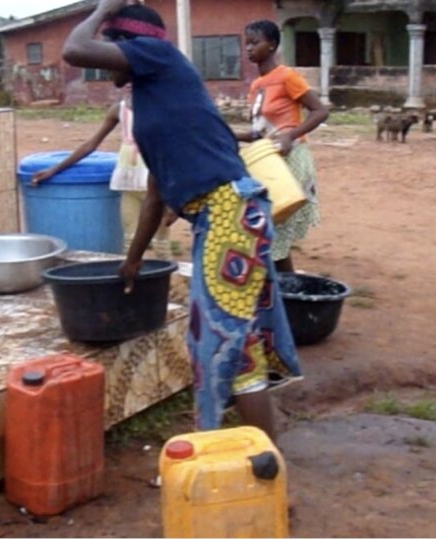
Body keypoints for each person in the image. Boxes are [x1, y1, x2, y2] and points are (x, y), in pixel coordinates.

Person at [62, 0, 302, 439]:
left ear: (129, 45)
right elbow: (155, 193)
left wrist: (103, 9)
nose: (103, 61)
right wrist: (132, 260)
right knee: (235, 333)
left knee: (221, 340)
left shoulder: (161, 57)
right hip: (226, 214)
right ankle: (261, 440)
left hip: (229, 212)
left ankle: (262, 458)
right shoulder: (154, 98)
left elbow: (75, 49)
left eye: (111, 47)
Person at [29, 90, 172, 258]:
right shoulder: (119, 110)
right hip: (129, 185)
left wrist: (174, 201)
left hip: (157, 187)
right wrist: (54, 169)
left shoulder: (163, 108)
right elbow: (90, 145)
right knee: (129, 242)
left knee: (161, 244)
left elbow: (177, 149)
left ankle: (166, 281)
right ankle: (133, 283)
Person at [236, 20, 329, 273]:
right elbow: (260, 133)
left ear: (273, 45)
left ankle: (284, 295)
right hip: (268, 162)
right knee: (269, 232)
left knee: (274, 232)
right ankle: (283, 292)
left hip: (291, 161)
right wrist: (231, 136)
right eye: (247, 44)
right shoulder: (257, 86)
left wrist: (291, 135)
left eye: (255, 43)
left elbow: (320, 111)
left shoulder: (287, 77)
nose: (249, 49)